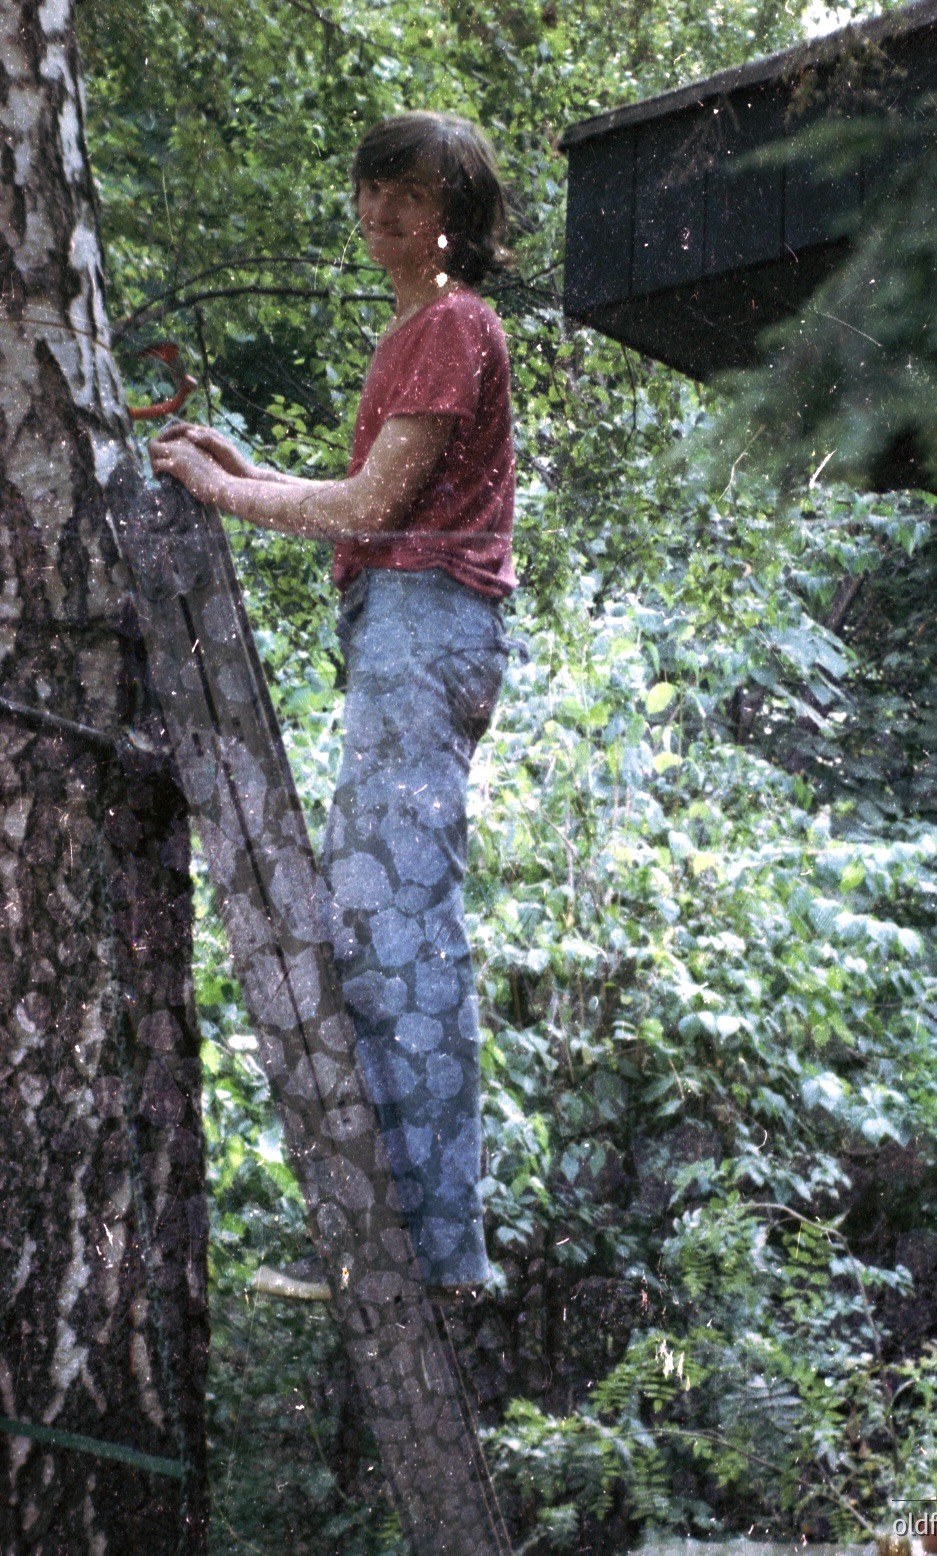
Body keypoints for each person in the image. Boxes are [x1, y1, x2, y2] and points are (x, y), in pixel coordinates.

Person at [149, 111, 516, 1299]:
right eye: (370, 192)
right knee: (384, 918)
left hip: (422, 629)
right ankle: (405, 1241)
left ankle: (418, 1248)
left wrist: (218, 488)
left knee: (394, 925)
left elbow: (368, 512)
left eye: (407, 195)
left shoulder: (453, 323)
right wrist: (245, 471)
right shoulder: (419, 330)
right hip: (403, 627)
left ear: (455, 214)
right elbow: (379, 505)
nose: (381, 215)